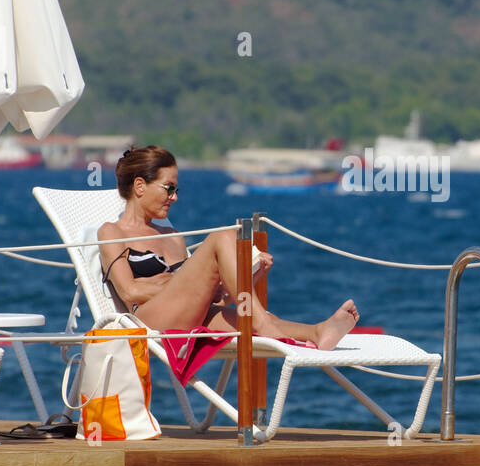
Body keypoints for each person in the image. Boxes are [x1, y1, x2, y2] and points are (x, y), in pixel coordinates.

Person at [99, 146, 359, 349]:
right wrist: (178, 285)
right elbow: (130, 291)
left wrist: (249, 276)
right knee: (222, 238)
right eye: (169, 189)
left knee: (251, 318)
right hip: (151, 322)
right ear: (140, 186)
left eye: (176, 189)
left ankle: (317, 331)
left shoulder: (172, 235)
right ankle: (262, 321)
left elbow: (208, 295)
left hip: (190, 316)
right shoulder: (112, 232)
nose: (175, 197)